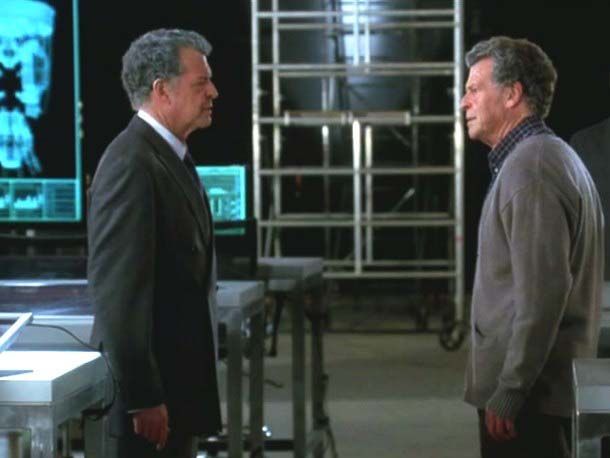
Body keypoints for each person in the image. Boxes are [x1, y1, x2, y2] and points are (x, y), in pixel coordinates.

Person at [461, 36, 604, 458]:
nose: (464, 102)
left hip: (528, 404)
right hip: (534, 397)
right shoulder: (540, 157)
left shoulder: (532, 169)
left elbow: (543, 294)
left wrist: (510, 389)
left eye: (474, 89)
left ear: (512, 94)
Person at [88, 28, 221, 458]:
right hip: (149, 411)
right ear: (162, 90)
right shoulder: (131, 163)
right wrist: (141, 396)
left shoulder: (168, 157)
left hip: (177, 395)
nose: (213, 92)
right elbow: (119, 295)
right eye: (201, 83)